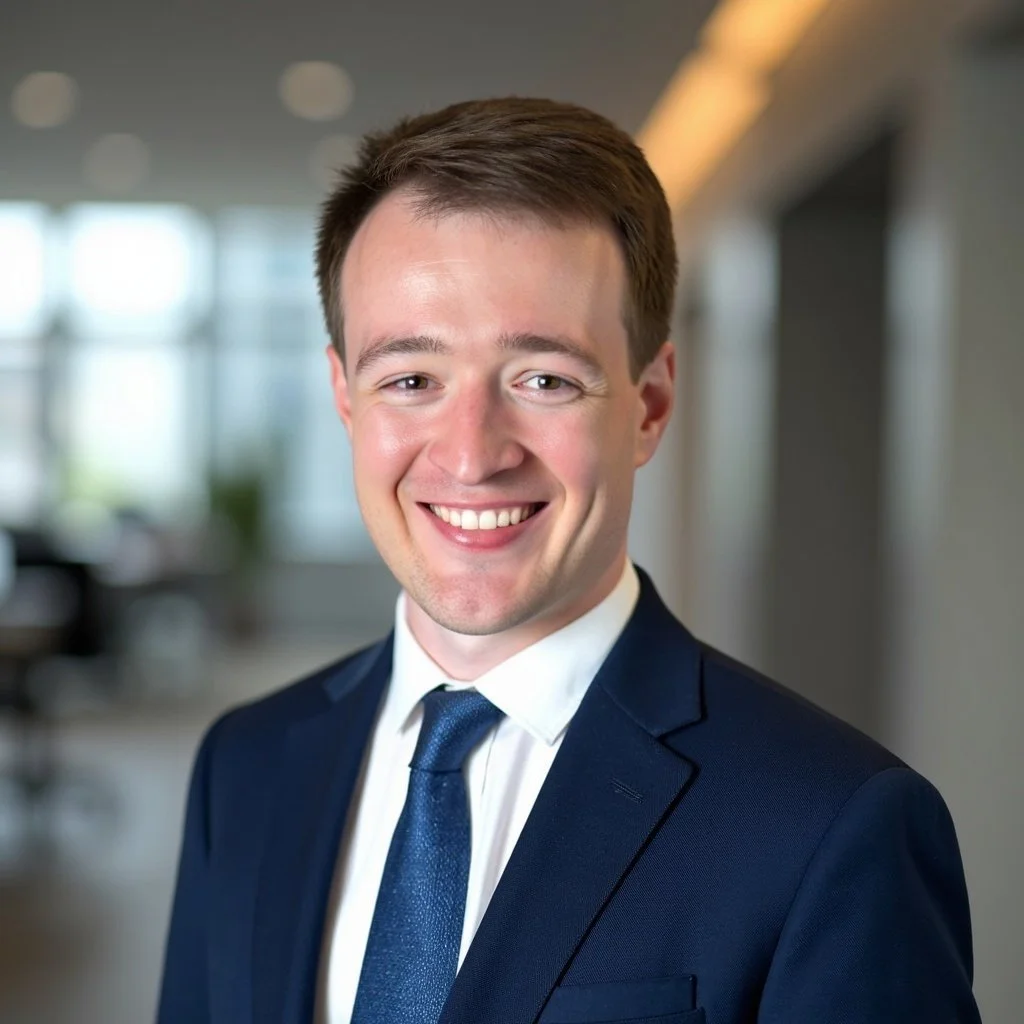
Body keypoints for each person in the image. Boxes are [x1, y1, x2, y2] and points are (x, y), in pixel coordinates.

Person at [157, 98, 981, 1024]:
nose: (472, 455)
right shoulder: (245, 766)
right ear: (347, 400)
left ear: (649, 404)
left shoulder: (831, 823)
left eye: (544, 379)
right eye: (412, 379)